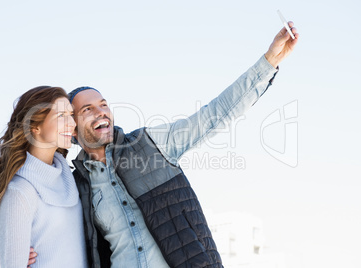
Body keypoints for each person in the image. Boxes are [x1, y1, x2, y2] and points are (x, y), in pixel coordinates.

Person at [30, 22, 299, 267]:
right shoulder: (76, 184)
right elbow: (58, 233)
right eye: (87, 109)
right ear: (73, 129)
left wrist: (269, 61)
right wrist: (30, 253)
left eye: (103, 105)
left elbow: (214, 115)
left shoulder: (150, 144)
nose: (101, 112)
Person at [0, 86, 88, 268]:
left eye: (71, 115)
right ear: (34, 126)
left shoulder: (70, 179)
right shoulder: (21, 191)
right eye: (61, 116)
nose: (72, 123)